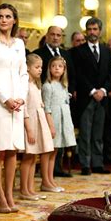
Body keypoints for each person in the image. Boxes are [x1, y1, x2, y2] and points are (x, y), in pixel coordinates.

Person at [0, 3, 28, 213]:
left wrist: (20, 97)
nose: (3, 20)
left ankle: (10, 195)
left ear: (14, 20)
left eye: (8, 16)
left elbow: (24, 72)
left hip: (17, 104)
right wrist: (5, 99)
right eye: (0, 16)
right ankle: (0, 197)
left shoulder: (20, 43)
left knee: (12, 150)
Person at [32, 26, 76, 177]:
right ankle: (47, 176)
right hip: (45, 104)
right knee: (49, 146)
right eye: (53, 34)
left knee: (58, 144)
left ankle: (57, 170)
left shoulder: (66, 55)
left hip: (62, 104)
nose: (56, 37)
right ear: (47, 36)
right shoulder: (38, 54)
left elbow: (72, 74)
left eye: (59, 35)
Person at [74, 17, 111, 175]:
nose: (92, 32)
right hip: (86, 97)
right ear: (86, 31)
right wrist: (92, 91)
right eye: (89, 29)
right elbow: (78, 75)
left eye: (95, 29)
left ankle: (97, 164)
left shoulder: (106, 50)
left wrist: (103, 90)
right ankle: (85, 164)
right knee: (85, 133)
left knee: (98, 134)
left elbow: (110, 74)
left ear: (100, 31)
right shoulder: (78, 51)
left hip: (102, 98)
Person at [20, 54, 53, 201]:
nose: (40, 70)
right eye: (37, 67)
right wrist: (29, 129)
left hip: (38, 121)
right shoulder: (25, 85)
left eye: (41, 67)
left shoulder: (35, 84)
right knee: (28, 157)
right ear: (27, 67)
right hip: (30, 123)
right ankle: (24, 190)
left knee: (34, 157)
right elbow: (24, 108)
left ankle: (31, 189)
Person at [41, 56, 76, 191]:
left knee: (55, 152)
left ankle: (50, 180)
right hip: (52, 122)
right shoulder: (47, 86)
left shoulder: (63, 86)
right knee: (48, 152)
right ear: (49, 69)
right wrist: (51, 126)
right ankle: (45, 181)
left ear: (64, 70)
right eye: (54, 66)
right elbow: (46, 108)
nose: (57, 68)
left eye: (60, 66)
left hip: (61, 122)